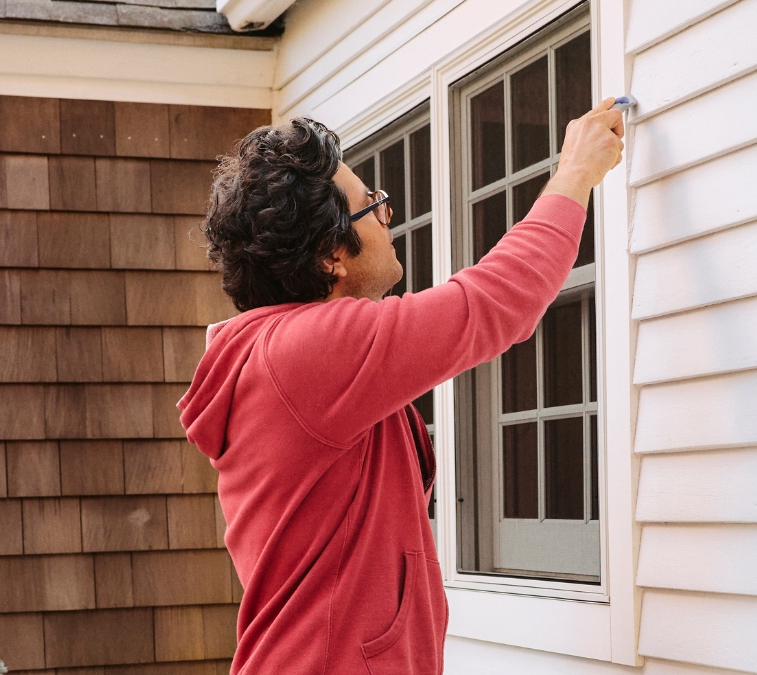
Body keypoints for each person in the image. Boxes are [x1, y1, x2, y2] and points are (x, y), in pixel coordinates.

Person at [178, 97, 624, 675]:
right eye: (374, 208)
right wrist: (576, 173)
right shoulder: (308, 353)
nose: (390, 218)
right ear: (332, 254)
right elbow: (494, 301)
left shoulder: (285, 358)